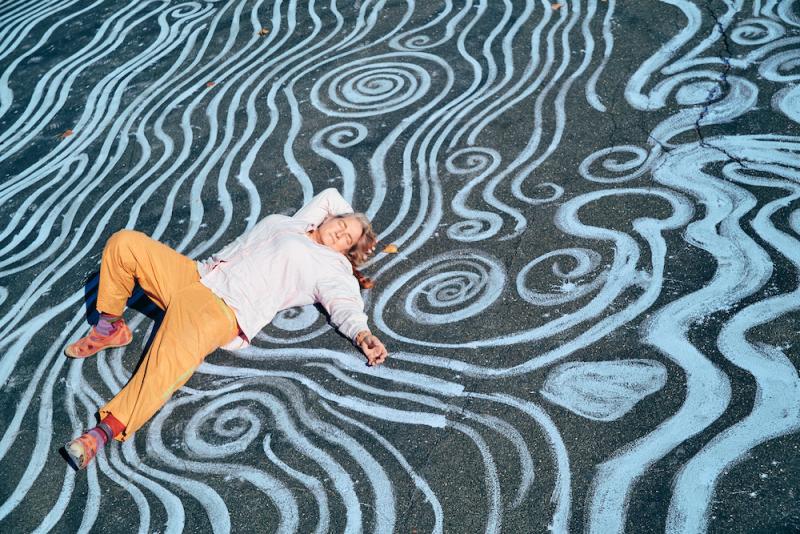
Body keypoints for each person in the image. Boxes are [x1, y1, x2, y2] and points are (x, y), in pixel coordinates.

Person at [63, 188, 388, 470]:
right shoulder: (298, 223)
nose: (340, 234)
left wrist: (362, 334)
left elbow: (345, 304)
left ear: (347, 252)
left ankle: (102, 432)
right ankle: (110, 327)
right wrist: (356, 223)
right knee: (125, 244)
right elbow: (330, 196)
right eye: (341, 225)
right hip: (198, 275)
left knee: (169, 360)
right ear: (329, 217)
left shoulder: (332, 267)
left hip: (224, 307)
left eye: (347, 240)